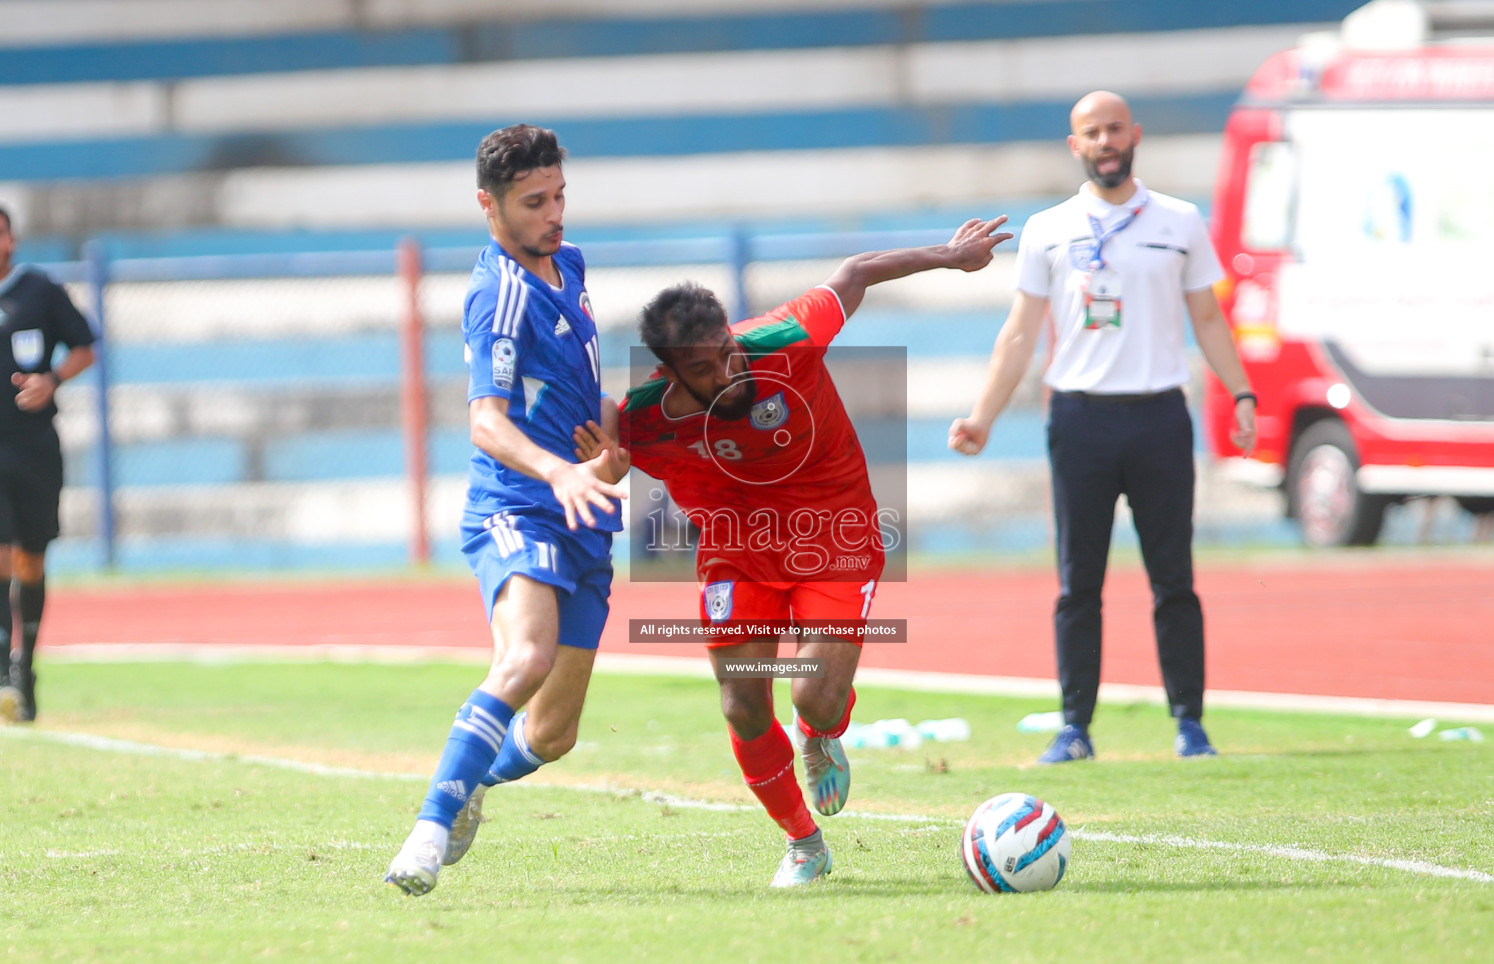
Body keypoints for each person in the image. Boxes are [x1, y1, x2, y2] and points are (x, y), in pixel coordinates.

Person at [578, 217, 1010, 886]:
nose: (726, 371)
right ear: (670, 375)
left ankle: (822, 730)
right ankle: (804, 843)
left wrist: (952, 257)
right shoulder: (645, 417)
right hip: (736, 555)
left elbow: (855, 271)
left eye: (726, 350)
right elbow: (599, 452)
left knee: (811, 697)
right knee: (742, 705)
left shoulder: (788, 337)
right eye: (702, 368)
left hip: (835, 536)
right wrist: (601, 465)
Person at [949, 91, 1256, 764]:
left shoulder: (1179, 220)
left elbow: (1207, 317)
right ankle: (1074, 727)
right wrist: (982, 417)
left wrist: (1240, 391)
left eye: (1115, 128)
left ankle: (1190, 724)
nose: (1106, 140)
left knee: (1172, 577)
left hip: (1158, 416)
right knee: (1077, 582)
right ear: (1076, 145)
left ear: (1135, 135)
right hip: (1080, 418)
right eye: (1093, 131)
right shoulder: (1048, 229)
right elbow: (1021, 332)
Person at [384, 125, 626, 895]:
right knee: (524, 658)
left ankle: (472, 782)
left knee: (554, 734)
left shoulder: (569, 266)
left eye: (560, 195)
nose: (555, 214)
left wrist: (614, 446)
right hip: (519, 503)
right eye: (534, 202)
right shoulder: (495, 293)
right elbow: (486, 420)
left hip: (584, 509)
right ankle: (427, 831)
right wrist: (560, 471)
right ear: (488, 206)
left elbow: (582, 398)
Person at [0, 207, 97, 725]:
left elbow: (86, 345)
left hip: (34, 447)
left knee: (31, 561)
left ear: (10, 237)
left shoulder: (40, 291)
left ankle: (26, 666)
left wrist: (52, 380)